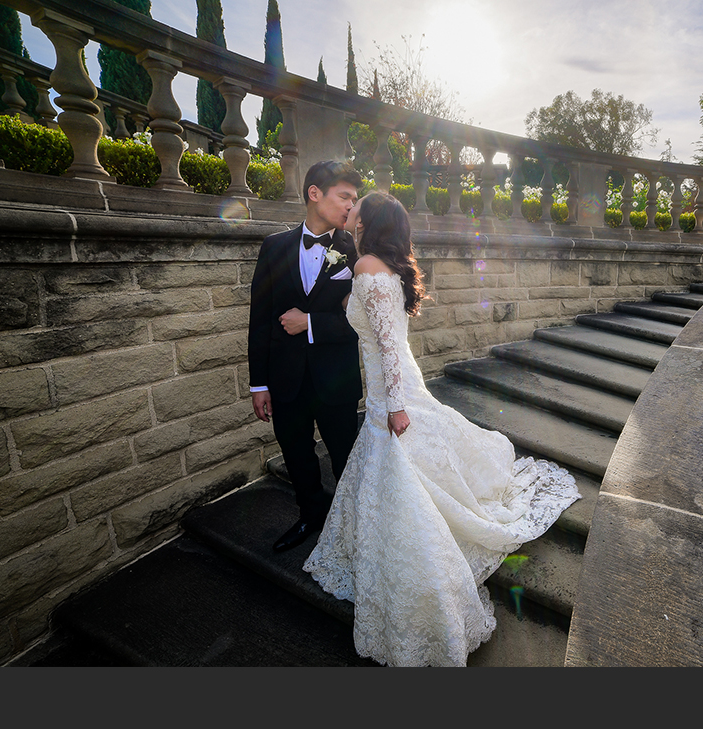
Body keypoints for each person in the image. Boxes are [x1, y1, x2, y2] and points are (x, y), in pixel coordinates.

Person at [302, 191, 581, 667]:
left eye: (357, 208)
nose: (350, 211)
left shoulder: (369, 266)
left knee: (399, 465)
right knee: (395, 465)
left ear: (370, 221)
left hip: (391, 391)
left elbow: (389, 344)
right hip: (391, 383)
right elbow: (386, 336)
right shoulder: (373, 263)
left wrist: (392, 405)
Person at [248, 161, 365, 553]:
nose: (351, 206)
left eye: (354, 198)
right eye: (344, 196)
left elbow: (366, 322)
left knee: (346, 456)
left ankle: (353, 526)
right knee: (296, 453)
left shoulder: (358, 253)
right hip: (285, 378)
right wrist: (259, 383)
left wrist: (311, 323)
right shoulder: (274, 246)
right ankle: (311, 515)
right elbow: (260, 319)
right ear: (315, 193)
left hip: (336, 378)